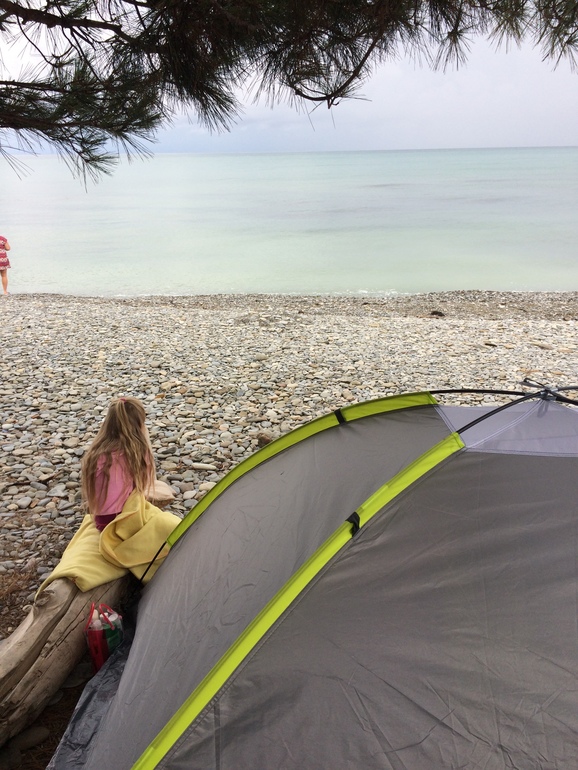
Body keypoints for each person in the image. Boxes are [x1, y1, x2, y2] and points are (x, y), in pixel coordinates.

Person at [81, 396, 155, 531]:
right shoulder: (137, 452)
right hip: (125, 520)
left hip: (102, 521)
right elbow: (144, 485)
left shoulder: (96, 453)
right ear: (139, 425)